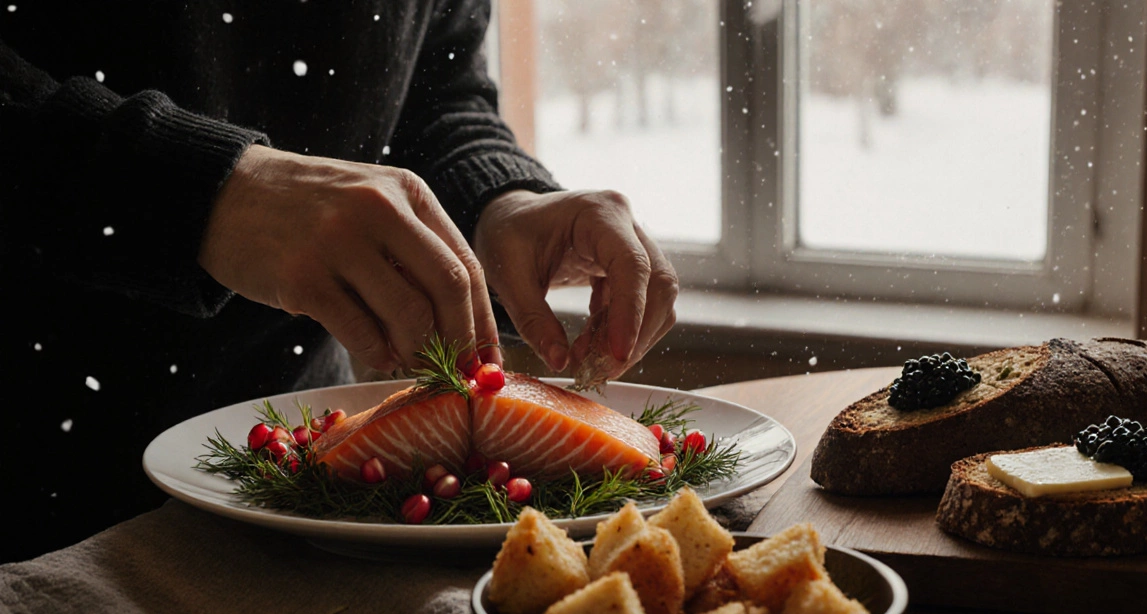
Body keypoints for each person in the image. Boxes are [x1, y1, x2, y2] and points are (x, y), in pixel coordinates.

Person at [0, 1, 678, 563]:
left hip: (291, 503)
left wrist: (500, 199)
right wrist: (204, 189)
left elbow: (435, 91)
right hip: (31, 490)